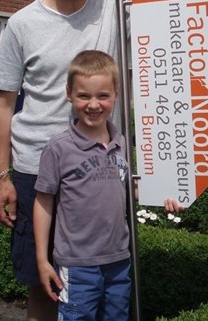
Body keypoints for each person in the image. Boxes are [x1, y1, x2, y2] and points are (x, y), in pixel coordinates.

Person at [0, 0, 171, 321]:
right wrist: (3, 176)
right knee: (43, 286)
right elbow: (2, 103)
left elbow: (164, 8)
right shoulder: (21, 24)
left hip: (99, 172)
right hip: (38, 173)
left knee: (105, 284)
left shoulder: (113, 11)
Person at [33, 50, 130, 320]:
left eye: (103, 96)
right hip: (77, 266)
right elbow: (43, 202)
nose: (94, 104)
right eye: (84, 95)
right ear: (69, 94)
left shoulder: (121, 144)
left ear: (116, 95)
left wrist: (167, 196)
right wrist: (42, 259)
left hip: (119, 261)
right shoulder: (59, 148)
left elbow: (130, 191)